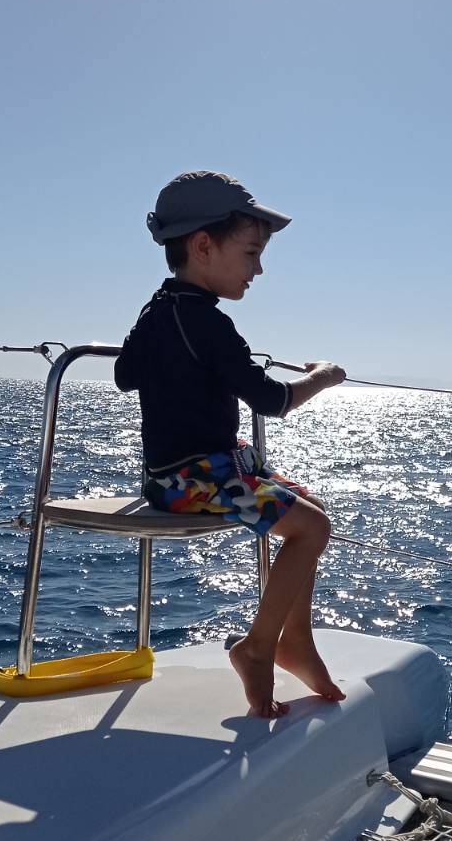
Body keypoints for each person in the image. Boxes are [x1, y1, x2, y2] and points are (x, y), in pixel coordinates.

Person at [115, 170, 346, 718]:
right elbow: (272, 400)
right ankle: (259, 646)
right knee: (313, 528)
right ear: (203, 247)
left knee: (309, 507)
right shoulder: (210, 325)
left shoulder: (158, 310)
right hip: (189, 479)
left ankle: (296, 641)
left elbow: (125, 374)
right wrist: (323, 377)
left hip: (176, 474)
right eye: (250, 253)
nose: (257, 269)